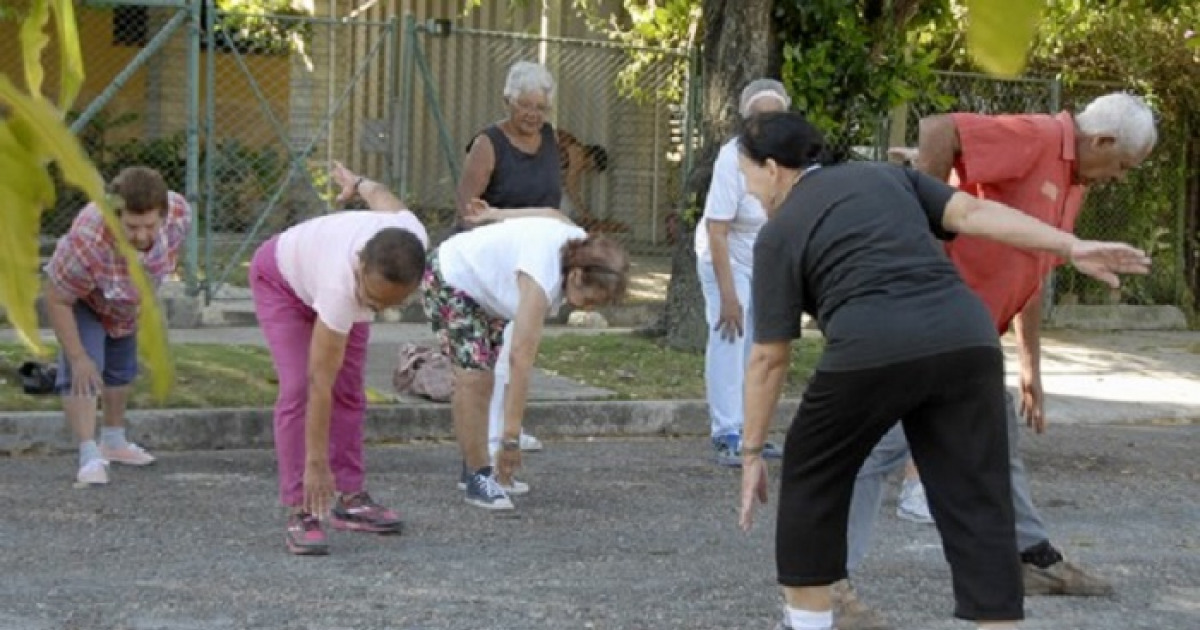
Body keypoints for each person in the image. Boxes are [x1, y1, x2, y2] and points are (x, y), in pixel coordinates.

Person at [733, 111, 1151, 630]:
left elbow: (769, 357)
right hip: (967, 340)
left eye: (746, 175)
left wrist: (752, 452)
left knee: (810, 479)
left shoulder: (779, 234)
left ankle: (814, 618)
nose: (748, 190)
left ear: (773, 169)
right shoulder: (888, 177)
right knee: (978, 504)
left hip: (872, 348)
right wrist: (1070, 244)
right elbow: (974, 213)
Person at [249, 162, 428, 556]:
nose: (375, 308)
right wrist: (316, 463)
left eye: (387, 305)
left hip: (329, 282)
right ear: (361, 263)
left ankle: (350, 498)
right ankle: (302, 507)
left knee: (351, 390)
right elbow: (318, 384)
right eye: (372, 298)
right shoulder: (341, 287)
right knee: (298, 387)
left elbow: (385, 199)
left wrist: (360, 184)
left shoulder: (411, 236)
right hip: (280, 279)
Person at [422, 204, 629, 511]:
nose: (587, 307)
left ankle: (475, 464)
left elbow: (550, 214)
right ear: (575, 275)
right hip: (452, 277)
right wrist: (510, 441)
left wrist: (493, 214)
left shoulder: (580, 242)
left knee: (486, 375)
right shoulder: (541, 276)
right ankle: (479, 477)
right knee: (474, 377)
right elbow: (522, 360)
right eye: (589, 298)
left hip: (486, 293)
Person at [43, 166, 191, 486]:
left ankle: (113, 441)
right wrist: (78, 356)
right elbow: (57, 298)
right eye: (131, 226)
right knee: (86, 370)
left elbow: (170, 251)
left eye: (149, 226)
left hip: (127, 297)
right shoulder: (87, 239)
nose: (140, 236)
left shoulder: (179, 213)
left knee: (121, 370)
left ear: (163, 215)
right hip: (85, 298)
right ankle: (88, 454)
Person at [457, 60, 562, 457]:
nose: (534, 115)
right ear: (507, 101)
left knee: (521, 348)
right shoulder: (488, 143)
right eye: (525, 106)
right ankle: (496, 432)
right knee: (500, 352)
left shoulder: (549, 138)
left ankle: (508, 425)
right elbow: (466, 210)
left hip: (535, 255)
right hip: (494, 258)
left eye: (541, 107)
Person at [696, 78, 791, 467]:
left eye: (775, 117)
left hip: (763, 259)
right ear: (746, 120)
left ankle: (752, 432)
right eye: (759, 117)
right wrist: (729, 296)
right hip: (725, 257)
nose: (767, 124)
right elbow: (717, 230)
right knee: (730, 337)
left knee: (760, 344)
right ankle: (726, 432)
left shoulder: (789, 155)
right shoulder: (730, 157)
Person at [557, 128, 619, 231]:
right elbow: (570, 185)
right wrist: (584, 213)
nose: (589, 169)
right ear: (592, 157)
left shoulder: (574, 150)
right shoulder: (579, 154)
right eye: (593, 167)